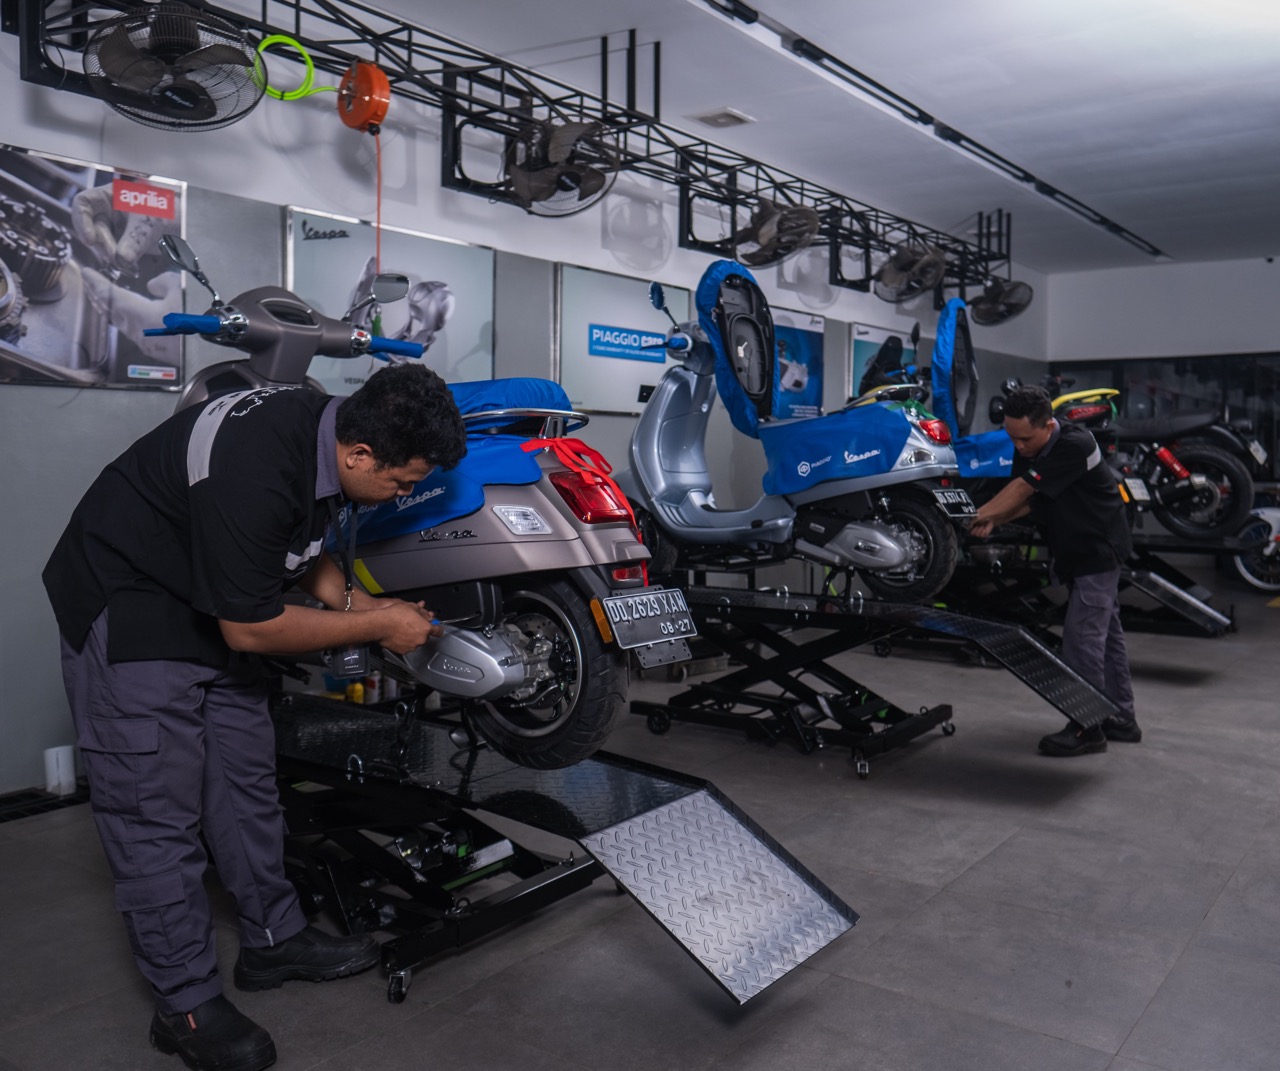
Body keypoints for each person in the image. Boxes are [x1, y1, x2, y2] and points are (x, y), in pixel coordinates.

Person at [42, 363, 467, 1071]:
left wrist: (365, 604)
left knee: (245, 786)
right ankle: (183, 1003)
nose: (404, 494)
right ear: (360, 454)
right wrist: (377, 626)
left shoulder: (326, 429)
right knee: (155, 813)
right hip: (133, 601)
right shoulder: (256, 463)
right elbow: (250, 627)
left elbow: (299, 546)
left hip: (214, 593)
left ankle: (274, 938)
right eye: (400, 483)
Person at [968, 384, 1141, 757]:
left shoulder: (1075, 444)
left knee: (1082, 642)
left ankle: (1087, 727)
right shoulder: (1031, 447)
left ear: (1048, 425)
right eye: (1012, 438)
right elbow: (1033, 502)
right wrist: (994, 520)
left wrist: (976, 515)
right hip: (1076, 551)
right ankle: (1121, 719)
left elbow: (1022, 489)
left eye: (1025, 439)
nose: (1019, 446)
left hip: (1097, 551)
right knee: (1107, 638)